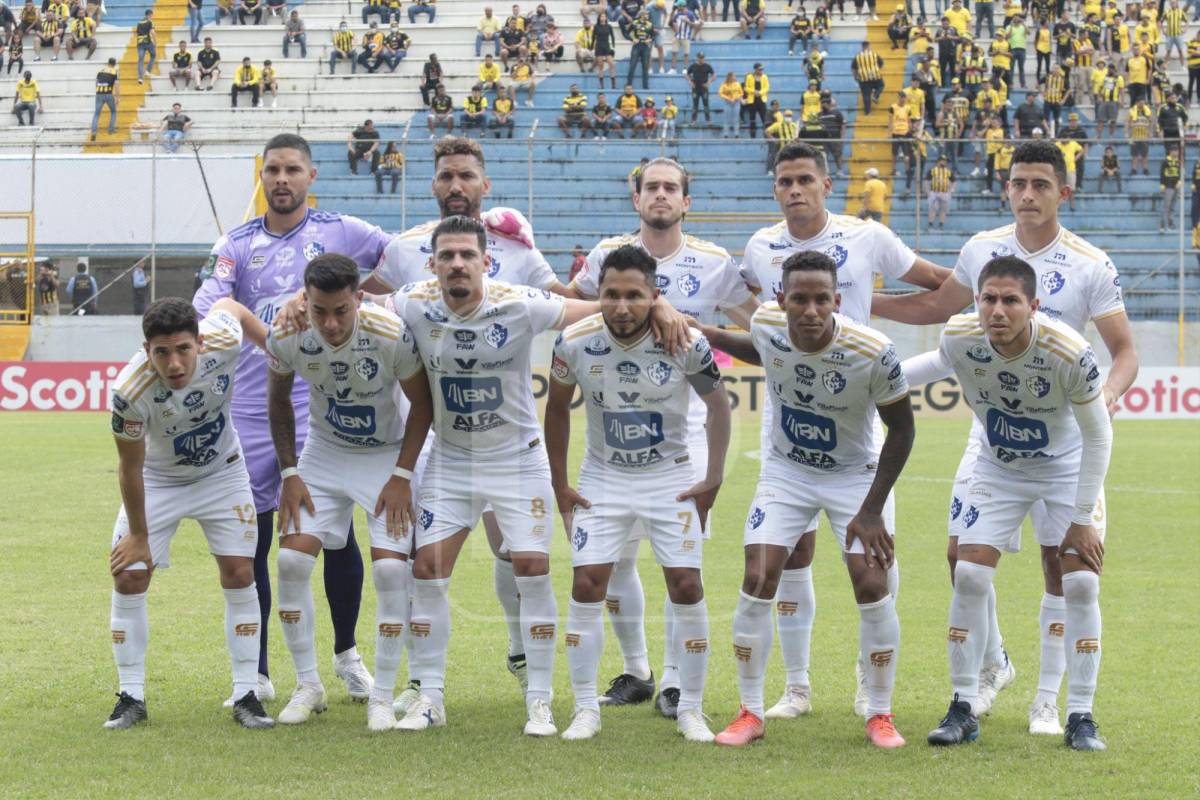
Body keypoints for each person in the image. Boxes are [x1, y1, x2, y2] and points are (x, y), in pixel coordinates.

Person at [374, 215, 685, 736]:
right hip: (451, 461)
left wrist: (659, 303)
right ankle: (430, 697)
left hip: (517, 461)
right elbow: (357, 305)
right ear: (432, 264)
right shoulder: (411, 301)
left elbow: (603, 306)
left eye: (467, 255)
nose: (456, 264)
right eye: (446, 255)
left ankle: (539, 701)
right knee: (426, 572)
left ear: (486, 262)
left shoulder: (518, 303)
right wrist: (297, 303)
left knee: (532, 570)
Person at [872, 141, 1137, 737]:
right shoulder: (981, 252)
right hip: (995, 443)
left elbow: (1124, 351)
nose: (1027, 195)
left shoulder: (1090, 264)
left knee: (1065, 566)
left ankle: (1054, 702)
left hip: (1067, 441)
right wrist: (860, 303)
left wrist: (1105, 398)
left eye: (1041, 185)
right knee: (960, 563)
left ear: (1063, 193)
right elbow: (940, 317)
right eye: (1018, 183)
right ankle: (985, 675)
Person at [738, 142, 948, 720]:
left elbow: (937, 286)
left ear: (827, 185)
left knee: (874, 567)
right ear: (775, 189)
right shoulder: (760, 247)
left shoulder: (867, 236)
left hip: (859, 404)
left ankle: (870, 680)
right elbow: (756, 317)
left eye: (806, 179)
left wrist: (989, 301)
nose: (795, 190)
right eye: (785, 181)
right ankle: (796, 688)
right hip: (790, 422)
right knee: (790, 556)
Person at [194, 134, 393, 707]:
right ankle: (257, 671)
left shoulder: (344, 232)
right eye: (272, 170)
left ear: (312, 176)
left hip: (326, 407)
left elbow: (402, 268)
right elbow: (210, 304)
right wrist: (276, 339)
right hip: (256, 410)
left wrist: (377, 306)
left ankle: (347, 656)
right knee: (253, 535)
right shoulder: (235, 244)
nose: (282, 179)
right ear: (262, 177)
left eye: (292, 170)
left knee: (335, 536)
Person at [562, 158, 760, 718]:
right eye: (652, 187)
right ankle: (637, 669)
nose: (661, 196)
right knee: (615, 558)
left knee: (681, 563)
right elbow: (578, 306)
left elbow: (754, 321)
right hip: (616, 431)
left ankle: (675, 679)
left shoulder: (715, 263)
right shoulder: (606, 255)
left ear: (686, 201)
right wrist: (661, 304)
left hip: (686, 431)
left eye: (672, 188)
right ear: (637, 198)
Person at [698, 250, 916, 749]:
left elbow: (902, 430)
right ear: (781, 299)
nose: (811, 310)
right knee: (757, 577)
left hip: (854, 476)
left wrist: (871, 510)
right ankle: (750, 711)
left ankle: (879, 713)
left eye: (822, 299)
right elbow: (760, 347)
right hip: (787, 471)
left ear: (838, 300)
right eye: (800, 299)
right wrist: (710, 335)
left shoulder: (872, 349)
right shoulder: (770, 325)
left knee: (871, 582)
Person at [922, 256, 1113, 752]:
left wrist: (1080, 519)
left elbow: (1099, 435)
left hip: (1066, 470)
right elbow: (929, 368)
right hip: (998, 468)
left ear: (1034, 305)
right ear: (977, 301)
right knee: (967, 574)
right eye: (989, 299)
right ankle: (963, 706)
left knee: (1080, 583)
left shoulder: (1068, 351)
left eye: (1010, 301)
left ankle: (1079, 714)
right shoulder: (959, 336)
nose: (998, 310)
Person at [548, 245, 731, 743]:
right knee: (588, 584)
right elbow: (558, 409)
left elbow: (718, 407)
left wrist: (713, 477)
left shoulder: (682, 340)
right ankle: (585, 709)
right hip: (603, 476)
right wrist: (560, 484)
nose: (622, 307)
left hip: (669, 476)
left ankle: (691, 708)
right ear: (598, 294)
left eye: (634, 295)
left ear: (655, 296)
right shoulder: (574, 342)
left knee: (686, 586)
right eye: (611, 295)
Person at [265, 254, 432, 732]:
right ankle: (308, 686)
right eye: (320, 311)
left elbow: (422, 405)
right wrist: (290, 471)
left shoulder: (388, 333)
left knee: (389, 571)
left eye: (341, 310)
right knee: (291, 562)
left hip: (385, 457)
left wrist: (402, 476)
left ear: (358, 298)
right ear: (306, 301)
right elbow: (278, 400)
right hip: (322, 454)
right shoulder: (287, 333)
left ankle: (382, 693)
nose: (331, 323)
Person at [104, 297, 274, 731]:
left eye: (183, 349)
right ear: (147, 351)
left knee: (240, 572)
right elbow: (130, 467)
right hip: (159, 482)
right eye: (162, 352)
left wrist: (273, 346)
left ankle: (246, 694)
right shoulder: (129, 393)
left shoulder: (223, 339)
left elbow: (231, 306)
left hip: (222, 473)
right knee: (129, 574)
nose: (174, 363)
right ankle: (131, 696)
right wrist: (139, 534)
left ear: (200, 342)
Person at [853, 39, 885, 114]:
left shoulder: (857, 57)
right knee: (881, 85)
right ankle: (875, 95)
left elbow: (854, 68)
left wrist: (856, 76)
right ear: (869, 46)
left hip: (863, 78)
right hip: (875, 76)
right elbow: (881, 64)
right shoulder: (874, 54)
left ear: (862, 47)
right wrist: (875, 69)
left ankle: (867, 112)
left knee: (866, 95)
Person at [89, 59, 118, 139]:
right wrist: (117, 97)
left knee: (96, 114)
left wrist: (98, 92)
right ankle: (111, 129)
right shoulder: (114, 71)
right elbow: (116, 85)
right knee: (113, 111)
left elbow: (96, 82)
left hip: (99, 94)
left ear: (107, 63)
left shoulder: (100, 71)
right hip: (108, 94)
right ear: (114, 64)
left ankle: (94, 132)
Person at [765, 110, 799, 175]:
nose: (788, 117)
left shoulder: (794, 125)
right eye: (787, 116)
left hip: (793, 148)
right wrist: (774, 139)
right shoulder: (778, 125)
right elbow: (767, 131)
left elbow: (797, 136)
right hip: (782, 148)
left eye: (789, 116)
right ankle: (772, 170)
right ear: (784, 116)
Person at [926, 153, 955, 227]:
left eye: (945, 161)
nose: (944, 162)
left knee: (943, 209)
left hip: (944, 192)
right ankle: (930, 224)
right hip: (934, 191)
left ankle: (941, 224)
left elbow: (953, 181)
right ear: (938, 161)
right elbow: (927, 181)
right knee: (933, 209)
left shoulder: (948, 171)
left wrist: (951, 189)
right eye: (943, 161)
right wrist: (928, 192)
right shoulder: (932, 170)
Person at [627, 8, 652, 89]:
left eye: (647, 14)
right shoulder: (634, 23)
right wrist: (632, 39)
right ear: (641, 15)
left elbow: (654, 35)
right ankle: (628, 86)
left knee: (645, 68)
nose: (647, 15)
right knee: (632, 66)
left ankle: (646, 87)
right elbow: (625, 32)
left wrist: (650, 39)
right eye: (646, 14)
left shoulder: (650, 24)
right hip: (636, 46)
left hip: (645, 47)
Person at [685, 50, 713, 123]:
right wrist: (690, 82)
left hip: (704, 89)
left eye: (702, 57)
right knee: (695, 105)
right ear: (697, 58)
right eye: (700, 57)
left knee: (706, 105)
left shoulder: (707, 66)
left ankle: (708, 120)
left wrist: (709, 82)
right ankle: (693, 120)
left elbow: (714, 75)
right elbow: (686, 74)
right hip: (695, 89)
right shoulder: (693, 66)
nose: (701, 59)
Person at [742, 62, 769, 137]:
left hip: (761, 99)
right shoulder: (749, 77)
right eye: (759, 70)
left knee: (764, 117)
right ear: (755, 70)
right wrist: (754, 91)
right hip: (752, 100)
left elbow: (767, 87)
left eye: (761, 69)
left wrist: (760, 92)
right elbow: (746, 88)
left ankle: (766, 134)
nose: (761, 71)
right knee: (752, 118)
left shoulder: (765, 77)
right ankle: (753, 135)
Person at [1160, 146, 1182, 233]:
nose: (1175, 153)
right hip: (1168, 186)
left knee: (1173, 206)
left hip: (1176, 186)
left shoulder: (1178, 162)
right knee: (1166, 206)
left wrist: (1180, 180)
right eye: (1174, 151)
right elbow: (1162, 173)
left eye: (1177, 151)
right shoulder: (1165, 161)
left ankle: (1170, 222)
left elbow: (1180, 173)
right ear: (1170, 151)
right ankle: (1162, 225)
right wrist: (1162, 184)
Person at [593, 11, 616, 88]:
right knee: (601, 66)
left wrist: (613, 44)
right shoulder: (596, 26)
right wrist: (591, 46)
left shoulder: (609, 26)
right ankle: (601, 85)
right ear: (599, 18)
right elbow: (593, 37)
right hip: (599, 46)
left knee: (611, 64)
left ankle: (613, 84)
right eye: (601, 16)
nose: (603, 18)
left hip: (606, 46)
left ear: (606, 18)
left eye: (604, 16)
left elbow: (612, 36)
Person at [718, 70, 743, 137]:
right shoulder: (724, 84)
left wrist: (736, 97)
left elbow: (741, 93)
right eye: (733, 76)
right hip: (727, 102)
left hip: (736, 102)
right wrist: (728, 98)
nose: (735, 77)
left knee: (736, 118)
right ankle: (726, 133)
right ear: (730, 77)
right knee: (727, 118)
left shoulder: (737, 84)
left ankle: (736, 133)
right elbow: (720, 93)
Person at [135, 9, 156, 85]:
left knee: (140, 60)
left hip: (140, 43)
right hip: (148, 42)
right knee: (153, 55)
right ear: (149, 15)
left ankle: (140, 78)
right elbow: (152, 32)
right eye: (152, 15)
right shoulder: (150, 22)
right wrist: (155, 42)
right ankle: (148, 71)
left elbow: (137, 33)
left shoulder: (139, 22)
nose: (152, 17)